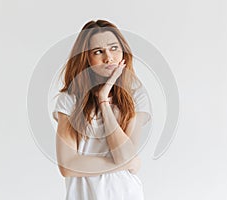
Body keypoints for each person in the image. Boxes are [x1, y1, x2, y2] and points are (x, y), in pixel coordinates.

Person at [52, 19, 152, 200]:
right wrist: (126, 163)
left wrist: (103, 101)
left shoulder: (136, 97)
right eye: (98, 52)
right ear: (86, 58)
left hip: (126, 193)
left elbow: (124, 154)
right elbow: (67, 166)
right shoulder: (69, 100)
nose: (108, 57)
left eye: (114, 48)